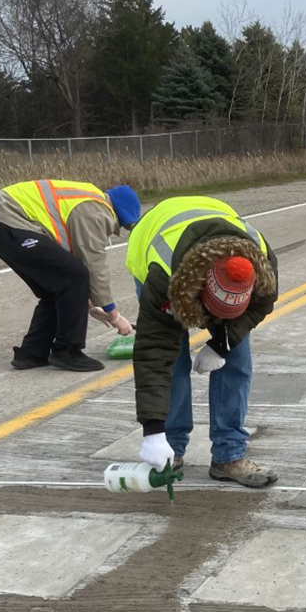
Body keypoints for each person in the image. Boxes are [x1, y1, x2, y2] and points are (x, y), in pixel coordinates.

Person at [126, 196, 279, 488]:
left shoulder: (263, 267)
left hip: (207, 235)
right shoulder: (162, 277)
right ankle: (169, 446)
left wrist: (222, 343)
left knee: (237, 359)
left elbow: (261, 306)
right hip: (156, 252)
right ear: (199, 293)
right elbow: (153, 354)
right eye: (212, 314)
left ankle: (229, 455)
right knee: (174, 360)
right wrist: (152, 431)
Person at [0, 179, 142, 371]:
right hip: (5, 219)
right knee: (76, 276)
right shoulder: (98, 210)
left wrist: (89, 305)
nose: (114, 229)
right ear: (121, 212)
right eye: (121, 224)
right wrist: (114, 314)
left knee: (55, 285)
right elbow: (93, 264)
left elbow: (69, 268)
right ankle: (67, 351)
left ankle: (32, 353)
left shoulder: (86, 200)